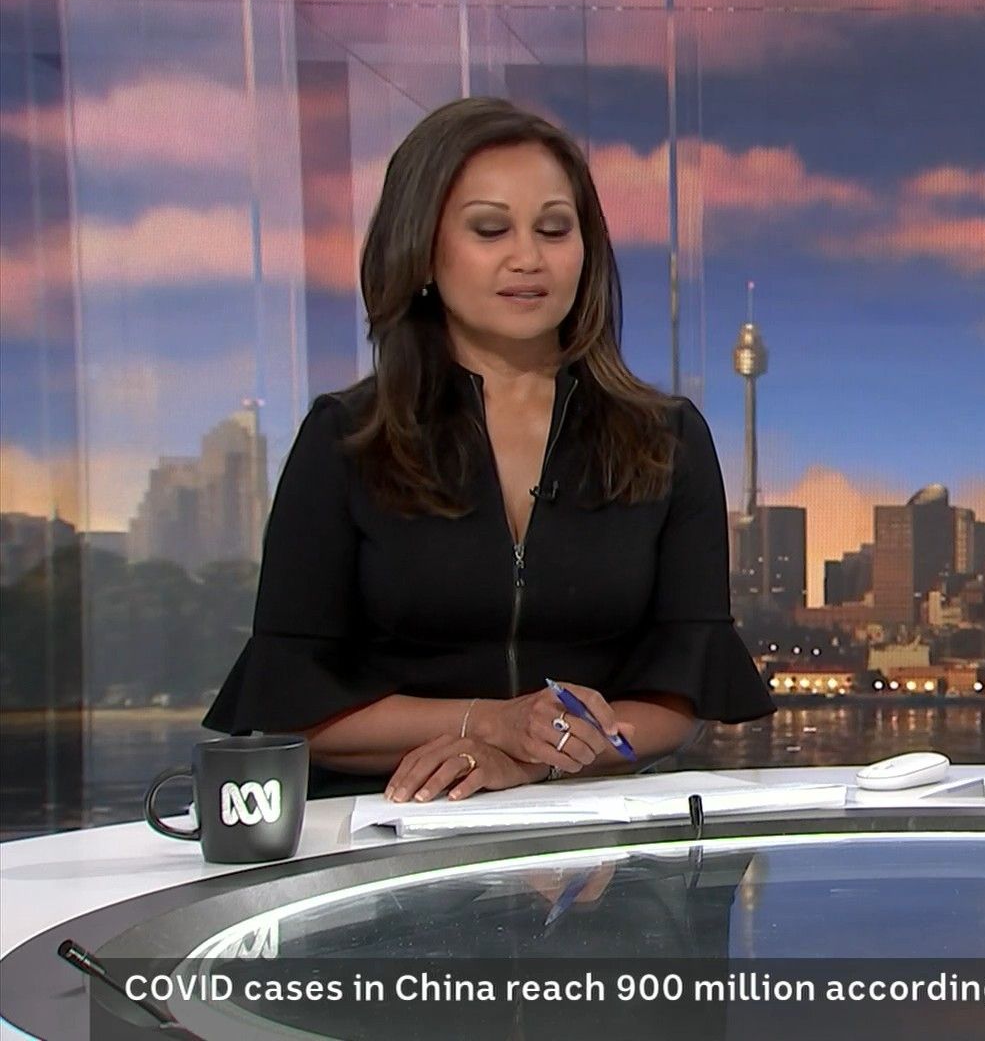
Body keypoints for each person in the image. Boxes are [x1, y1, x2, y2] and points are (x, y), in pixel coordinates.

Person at [203, 97, 775, 802]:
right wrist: (490, 724)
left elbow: (678, 694)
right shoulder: (347, 438)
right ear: (423, 248)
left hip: (586, 824)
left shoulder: (667, 440)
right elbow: (292, 700)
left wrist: (534, 761)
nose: (528, 258)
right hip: (381, 823)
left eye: (554, 229)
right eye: (490, 229)